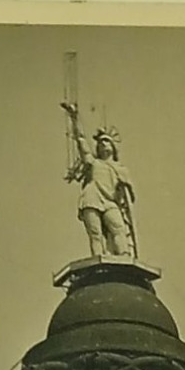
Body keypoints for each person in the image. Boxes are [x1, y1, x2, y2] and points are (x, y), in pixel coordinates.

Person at [60, 101, 135, 257]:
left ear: (113, 147)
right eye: (100, 142)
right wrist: (74, 117)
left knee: (118, 229)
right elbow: (80, 139)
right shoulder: (93, 163)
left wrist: (124, 188)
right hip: (92, 198)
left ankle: (124, 256)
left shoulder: (121, 169)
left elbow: (127, 199)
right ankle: (98, 258)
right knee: (95, 233)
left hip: (110, 202)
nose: (102, 144)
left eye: (106, 141)